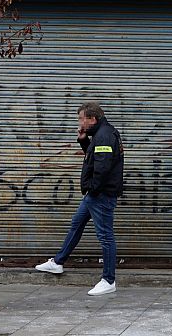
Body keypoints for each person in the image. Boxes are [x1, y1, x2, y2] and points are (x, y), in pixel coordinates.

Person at [35, 101, 124, 296]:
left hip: (100, 195)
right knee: (76, 224)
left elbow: (102, 168)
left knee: (105, 236)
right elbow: (95, 159)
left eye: (81, 119)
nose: (79, 123)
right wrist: (84, 141)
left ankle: (109, 280)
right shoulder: (99, 135)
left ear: (92, 119)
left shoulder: (104, 137)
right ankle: (58, 262)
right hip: (95, 194)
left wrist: (92, 190)